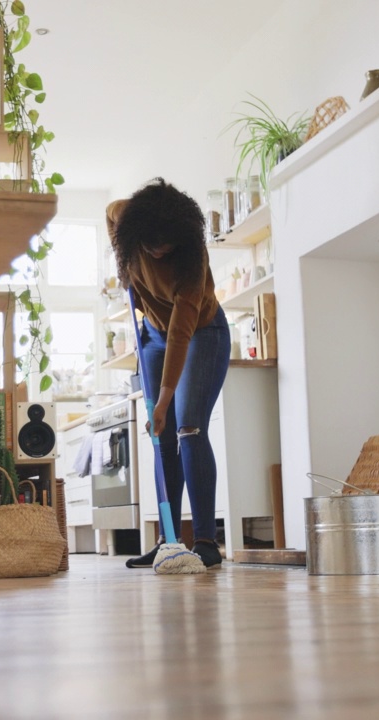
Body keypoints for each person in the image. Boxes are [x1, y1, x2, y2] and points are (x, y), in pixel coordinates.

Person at [107, 178, 231, 569]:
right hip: (152, 338)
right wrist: (121, 259)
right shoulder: (126, 219)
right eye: (151, 244)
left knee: (188, 428)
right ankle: (169, 541)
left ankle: (207, 542)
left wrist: (163, 400)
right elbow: (112, 213)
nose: (160, 250)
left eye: (168, 246)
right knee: (162, 440)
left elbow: (181, 333)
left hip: (200, 335)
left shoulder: (192, 262)